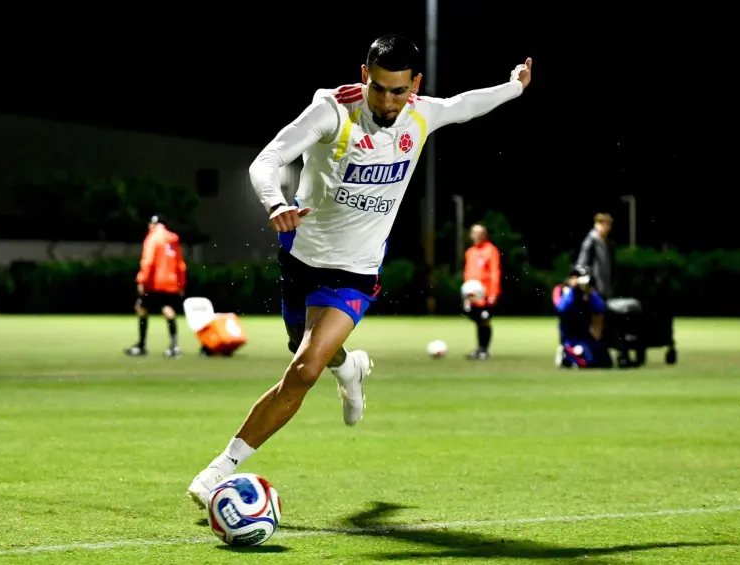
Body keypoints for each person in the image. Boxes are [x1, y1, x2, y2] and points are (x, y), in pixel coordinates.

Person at [187, 34, 532, 508]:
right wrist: (275, 203)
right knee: (303, 345)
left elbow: (465, 105)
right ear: (365, 75)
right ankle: (350, 368)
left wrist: (514, 87)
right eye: (380, 89)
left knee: (304, 368)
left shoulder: (421, 114)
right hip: (301, 258)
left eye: (399, 91)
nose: (388, 102)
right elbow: (266, 161)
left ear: (415, 84)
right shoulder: (331, 110)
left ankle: (218, 470)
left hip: (356, 270)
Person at [124, 216, 187, 358]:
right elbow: (181, 265)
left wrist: (142, 280)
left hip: (155, 282)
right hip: (171, 281)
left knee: (141, 308)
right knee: (168, 310)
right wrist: (181, 284)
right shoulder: (173, 239)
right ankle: (174, 346)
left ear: (153, 224)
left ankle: (141, 345)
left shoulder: (152, 238)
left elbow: (148, 262)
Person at [552, 266, 612, 368]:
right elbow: (561, 309)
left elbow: (601, 308)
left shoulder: (589, 293)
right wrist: (573, 291)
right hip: (570, 338)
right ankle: (565, 353)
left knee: (605, 361)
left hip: (586, 337)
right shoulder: (563, 291)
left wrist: (590, 293)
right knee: (587, 361)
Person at [462, 224, 501, 360]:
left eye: (477, 233)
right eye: (473, 233)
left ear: (484, 235)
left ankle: (484, 350)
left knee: (485, 320)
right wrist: (466, 293)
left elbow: (495, 272)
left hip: (485, 295)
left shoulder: (491, 250)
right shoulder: (470, 252)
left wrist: (493, 293)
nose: (474, 236)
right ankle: (479, 348)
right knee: (478, 320)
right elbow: (467, 273)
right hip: (472, 295)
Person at [576, 213, 614, 300]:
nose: (608, 228)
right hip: (593, 288)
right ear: (597, 224)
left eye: (609, 225)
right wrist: (587, 284)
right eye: (605, 225)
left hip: (604, 287)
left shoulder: (607, 243)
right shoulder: (591, 241)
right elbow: (582, 264)